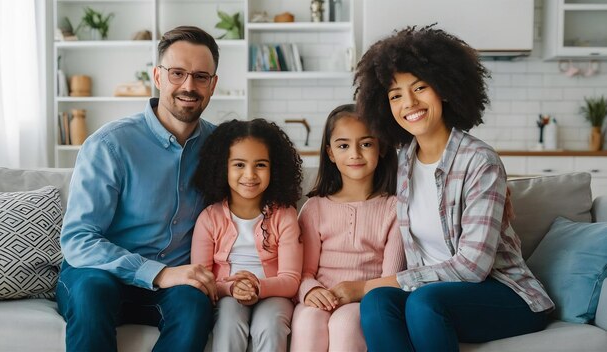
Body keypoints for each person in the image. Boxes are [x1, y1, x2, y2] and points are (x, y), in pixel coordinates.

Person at [347, 26, 555, 351]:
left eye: (420, 88)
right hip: (432, 296)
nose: (409, 103)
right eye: (395, 95)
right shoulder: (402, 162)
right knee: (376, 304)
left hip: (504, 294)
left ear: (443, 88)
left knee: (421, 302)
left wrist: (363, 285)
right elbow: (352, 173)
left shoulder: (479, 161)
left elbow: (472, 268)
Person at [57, 26, 220, 352]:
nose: (189, 86)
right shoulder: (110, 144)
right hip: (101, 274)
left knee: (195, 305)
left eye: (201, 76)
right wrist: (157, 273)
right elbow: (78, 240)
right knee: (91, 292)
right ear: (157, 76)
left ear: (213, 84)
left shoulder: (220, 148)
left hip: (176, 282)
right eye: (177, 73)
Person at [290, 104, 406, 352]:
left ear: (381, 147)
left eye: (365, 144)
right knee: (308, 321)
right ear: (330, 153)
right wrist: (310, 291)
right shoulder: (314, 208)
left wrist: (359, 292)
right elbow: (302, 272)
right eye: (343, 146)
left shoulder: (394, 208)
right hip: (321, 295)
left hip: (365, 298)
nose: (355, 154)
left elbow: (391, 278)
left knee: (344, 325)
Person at [191, 118, 304, 352]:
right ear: (223, 167)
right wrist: (231, 289)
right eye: (239, 165)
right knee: (228, 321)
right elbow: (201, 279)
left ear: (275, 168)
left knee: (270, 325)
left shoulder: (285, 215)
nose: (250, 174)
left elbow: (291, 280)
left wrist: (258, 287)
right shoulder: (209, 218)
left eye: (260, 165)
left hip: (274, 294)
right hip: (227, 295)